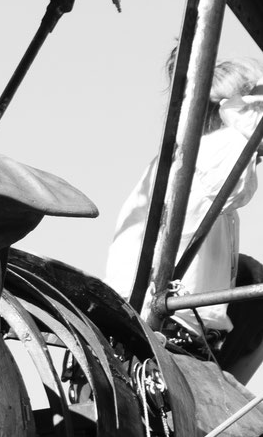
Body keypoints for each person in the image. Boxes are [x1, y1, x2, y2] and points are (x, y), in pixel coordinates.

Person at [105, 54, 263, 373]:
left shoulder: (196, 162)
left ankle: (233, 404)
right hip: (163, 329)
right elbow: (248, 127)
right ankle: (233, 411)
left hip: (155, 319)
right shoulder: (217, 154)